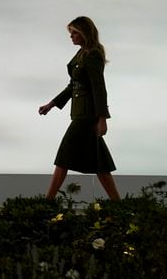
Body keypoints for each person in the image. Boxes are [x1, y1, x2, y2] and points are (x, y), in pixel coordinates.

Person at [38, 16, 120, 200]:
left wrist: (102, 119)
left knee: (63, 158)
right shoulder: (82, 53)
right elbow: (73, 85)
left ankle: (47, 202)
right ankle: (118, 204)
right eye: (71, 33)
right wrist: (51, 104)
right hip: (80, 114)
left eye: (75, 32)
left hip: (87, 116)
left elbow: (99, 88)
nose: (71, 36)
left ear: (84, 33)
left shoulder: (93, 55)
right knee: (100, 164)